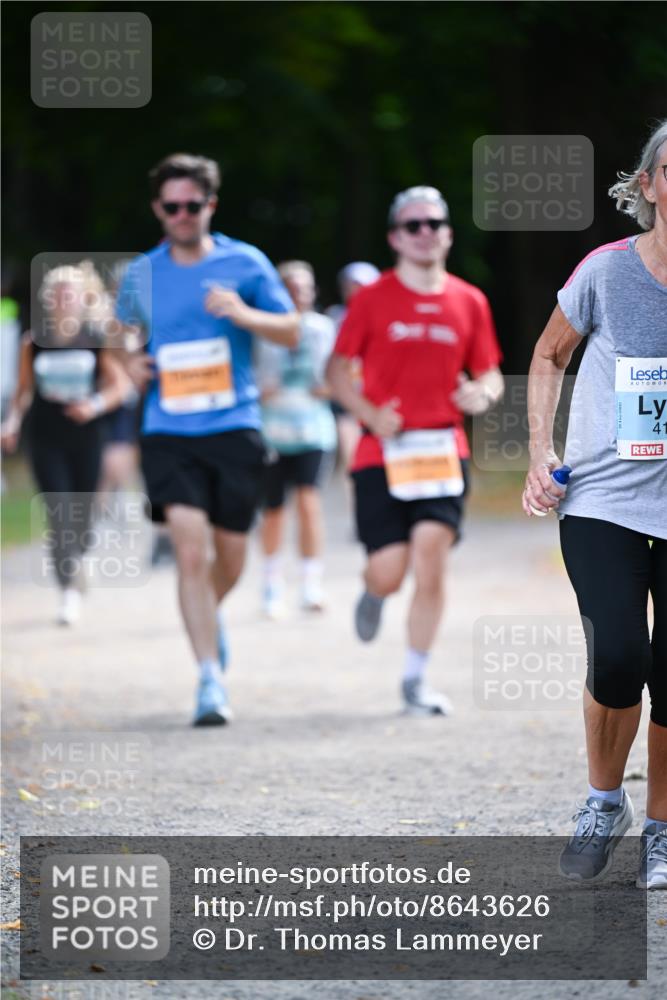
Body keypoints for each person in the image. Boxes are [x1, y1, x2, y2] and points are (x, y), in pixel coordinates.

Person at [523, 120, 667, 889]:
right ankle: (602, 801)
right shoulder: (605, 272)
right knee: (618, 655)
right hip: (605, 498)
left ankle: (663, 831)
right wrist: (542, 452)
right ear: (647, 185)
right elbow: (549, 353)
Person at [117, 153, 299, 726]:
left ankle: (206, 617)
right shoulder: (141, 273)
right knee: (190, 550)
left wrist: (244, 312)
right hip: (168, 430)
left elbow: (292, 330)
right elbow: (121, 338)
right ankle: (208, 680)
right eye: (170, 207)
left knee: (232, 556)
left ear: (209, 206)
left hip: (235, 427)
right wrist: (129, 367)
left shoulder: (245, 262)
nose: (181, 215)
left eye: (191, 205)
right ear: (157, 209)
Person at [327, 186, 503, 715]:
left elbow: (489, 371)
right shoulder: (372, 299)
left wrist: (484, 392)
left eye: (434, 223)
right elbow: (336, 371)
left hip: (442, 450)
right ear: (394, 238)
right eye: (413, 225)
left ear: (448, 233)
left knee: (431, 557)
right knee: (391, 569)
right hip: (382, 454)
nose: (425, 233)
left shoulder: (469, 300)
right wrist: (369, 414)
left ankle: (414, 679)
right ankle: (374, 590)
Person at [0, 262, 129, 624]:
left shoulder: (94, 339)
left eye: (69, 293)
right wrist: (11, 422)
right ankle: (68, 593)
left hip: (88, 437)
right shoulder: (33, 341)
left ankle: (81, 556)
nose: (62, 299)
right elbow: (23, 392)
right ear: (48, 300)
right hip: (45, 437)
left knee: (83, 514)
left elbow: (120, 387)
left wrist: (94, 405)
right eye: (56, 293)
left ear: (80, 300)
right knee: (58, 513)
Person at [257, 260, 337, 617]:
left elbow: (343, 374)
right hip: (272, 432)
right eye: (291, 288)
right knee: (274, 511)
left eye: (304, 288)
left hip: (313, 430)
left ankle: (310, 583)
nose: (298, 295)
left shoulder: (323, 329)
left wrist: (331, 388)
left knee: (309, 502)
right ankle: (272, 584)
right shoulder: (263, 329)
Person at [326, 262, 380, 492]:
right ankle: (358, 512)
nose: (356, 291)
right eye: (352, 286)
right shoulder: (335, 318)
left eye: (362, 285)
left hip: (376, 398)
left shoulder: (386, 317)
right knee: (352, 456)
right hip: (346, 399)